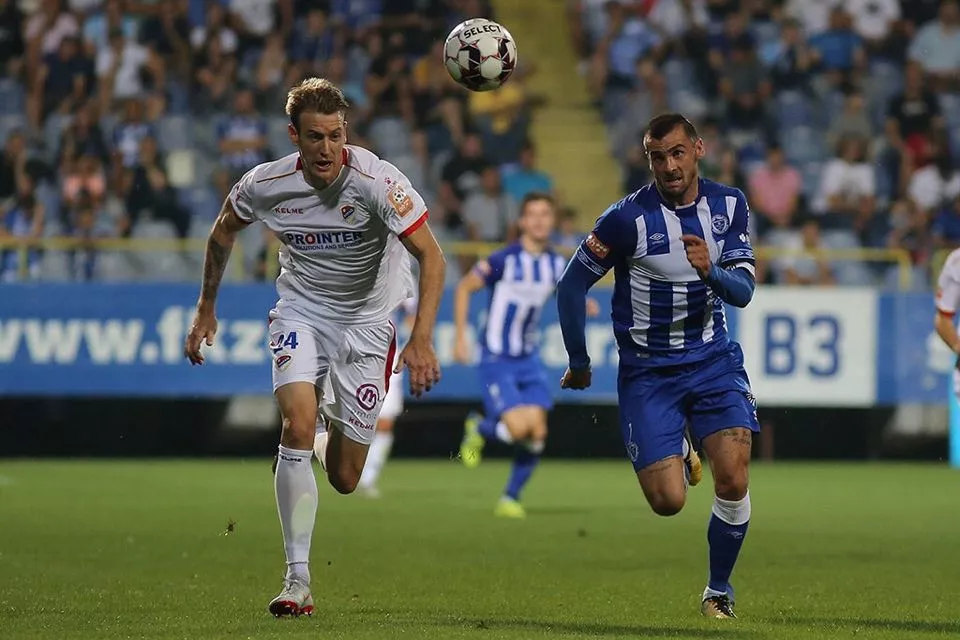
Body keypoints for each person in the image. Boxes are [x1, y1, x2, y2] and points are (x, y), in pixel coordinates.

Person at [183, 77, 445, 618]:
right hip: (300, 312)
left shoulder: (378, 181)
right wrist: (206, 306)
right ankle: (296, 579)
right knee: (295, 426)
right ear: (294, 136)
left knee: (346, 477)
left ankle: (321, 439)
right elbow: (222, 233)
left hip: (367, 325)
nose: (326, 149)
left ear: (345, 132)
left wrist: (421, 338)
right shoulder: (266, 183)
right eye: (314, 137)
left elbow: (432, 256)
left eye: (335, 135)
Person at [556, 113, 759, 619]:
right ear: (648, 160)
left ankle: (718, 592)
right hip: (648, 373)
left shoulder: (729, 205)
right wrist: (579, 362)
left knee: (734, 478)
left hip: (712, 361)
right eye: (657, 156)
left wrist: (711, 272)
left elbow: (744, 291)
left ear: (699, 149)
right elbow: (572, 284)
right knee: (668, 501)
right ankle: (681, 445)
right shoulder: (626, 219)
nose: (669, 166)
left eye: (677, 153)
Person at [454, 192, 598, 518]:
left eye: (545, 214)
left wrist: (583, 302)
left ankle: (510, 498)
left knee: (539, 432)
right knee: (519, 430)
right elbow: (464, 287)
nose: (539, 220)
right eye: (532, 214)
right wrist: (460, 336)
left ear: (552, 220)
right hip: (497, 357)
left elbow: (568, 291)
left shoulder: (556, 263)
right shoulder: (504, 259)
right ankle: (479, 427)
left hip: (528, 358)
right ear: (522, 221)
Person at [356, 294, 418, 498]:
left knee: (385, 423)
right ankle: (346, 471)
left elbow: (411, 314)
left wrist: (415, 342)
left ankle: (367, 478)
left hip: (388, 358)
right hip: (356, 354)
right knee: (353, 419)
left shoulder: (400, 279)